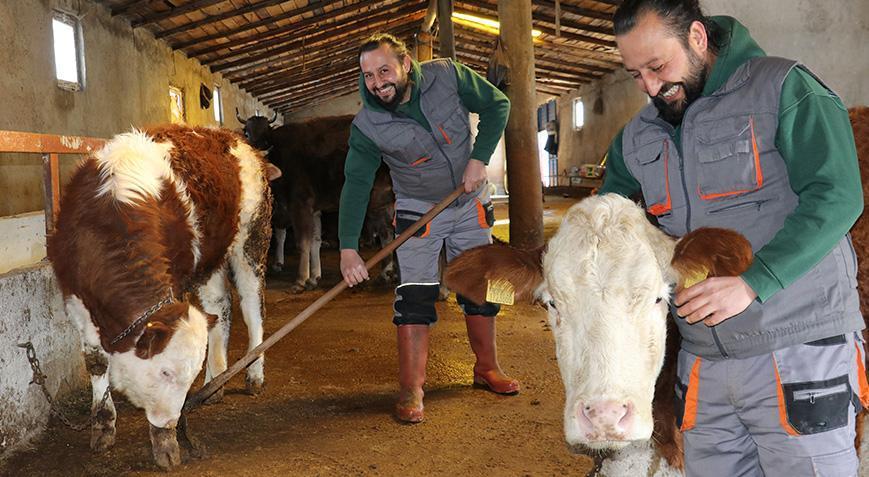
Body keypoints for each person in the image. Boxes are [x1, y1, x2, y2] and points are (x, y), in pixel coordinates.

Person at [600, 1, 864, 475]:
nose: (651, 87)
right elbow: (606, 224)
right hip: (704, 363)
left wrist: (753, 280)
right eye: (635, 74)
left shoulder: (783, 87)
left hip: (795, 346)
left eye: (658, 66)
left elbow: (838, 196)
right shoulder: (636, 138)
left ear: (697, 38)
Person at [338, 33, 519, 424]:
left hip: (470, 202)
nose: (377, 82)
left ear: (405, 64)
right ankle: (412, 388)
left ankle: (487, 367)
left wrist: (479, 158)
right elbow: (356, 183)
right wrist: (348, 247)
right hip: (419, 213)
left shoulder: (448, 76)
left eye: (384, 70)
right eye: (367, 75)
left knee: (482, 289)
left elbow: (497, 105)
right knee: (415, 298)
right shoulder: (367, 124)